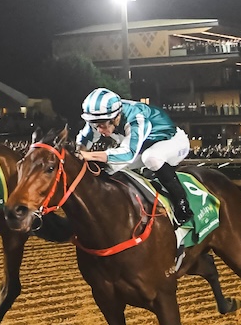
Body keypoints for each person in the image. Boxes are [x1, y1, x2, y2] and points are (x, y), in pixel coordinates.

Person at [74, 87, 193, 225]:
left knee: (151, 158)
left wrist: (88, 155)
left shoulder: (136, 117)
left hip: (172, 142)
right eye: (96, 125)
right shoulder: (102, 116)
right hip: (141, 147)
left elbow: (128, 154)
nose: (99, 130)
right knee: (109, 169)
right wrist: (78, 152)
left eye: (102, 125)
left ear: (116, 117)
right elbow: (83, 142)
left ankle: (182, 204)